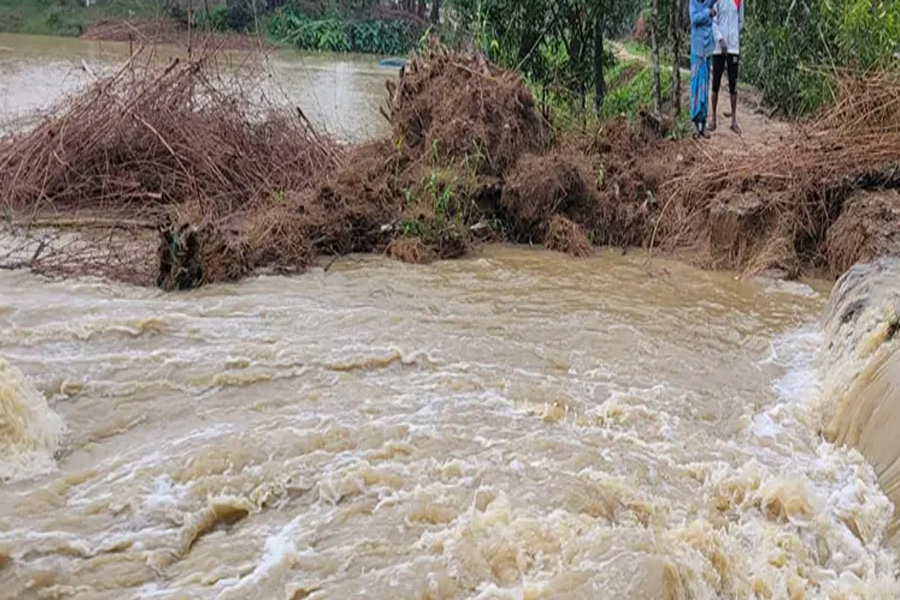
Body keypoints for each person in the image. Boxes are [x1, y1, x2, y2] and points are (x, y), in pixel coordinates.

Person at [710, 0, 745, 133]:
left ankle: (734, 120)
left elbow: (741, 21)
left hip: (733, 47)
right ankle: (713, 119)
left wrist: (734, 37)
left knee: (733, 84)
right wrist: (720, 38)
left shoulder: (739, 1)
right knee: (715, 84)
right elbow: (713, 21)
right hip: (719, 47)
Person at [690, 0, 718, 139]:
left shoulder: (709, 2)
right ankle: (695, 126)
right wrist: (707, 12)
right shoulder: (693, 3)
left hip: (707, 49)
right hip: (696, 49)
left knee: (705, 86)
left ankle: (703, 125)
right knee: (696, 87)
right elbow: (694, 19)